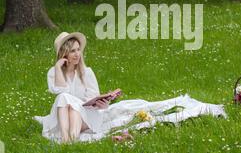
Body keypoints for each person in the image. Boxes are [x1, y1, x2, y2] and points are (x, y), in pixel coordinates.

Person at [34, 31, 226, 143]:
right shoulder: (54, 72)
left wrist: (102, 102)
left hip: (87, 116)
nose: (77, 54)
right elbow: (58, 91)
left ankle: (68, 142)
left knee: (70, 102)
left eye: (78, 50)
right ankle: (70, 141)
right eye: (72, 51)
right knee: (63, 99)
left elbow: (92, 100)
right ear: (64, 54)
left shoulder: (87, 72)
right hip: (66, 116)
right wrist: (59, 68)